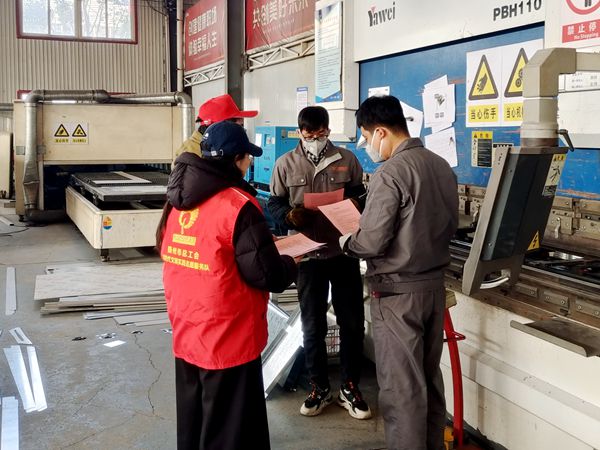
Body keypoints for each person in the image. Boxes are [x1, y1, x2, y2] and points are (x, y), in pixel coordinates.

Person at [157, 121, 297, 450]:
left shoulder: (179, 202)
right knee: (230, 430)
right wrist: (292, 262)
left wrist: (258, 243)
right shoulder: (238, 205)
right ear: (237, 160)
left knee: (194, 421)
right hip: (227, 335)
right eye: (248, 158)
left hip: (188, 327)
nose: (250, 163)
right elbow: (266, 275)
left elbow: (186, 247)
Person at [340, 95, 458, 450]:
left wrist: (346, 242)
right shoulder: (440, 165)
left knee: (402, 391)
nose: (366, 145)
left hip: (397, 295)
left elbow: (372, 240)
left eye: (366, 137)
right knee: (429, 382)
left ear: (381, 132)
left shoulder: (391, 173)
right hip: (433, 290)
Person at [268, 106, 371, 420]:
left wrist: (352, 204)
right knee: (312, 325)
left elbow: (361, 195)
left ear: (328, 129)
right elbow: (274, 203)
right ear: (300, 132)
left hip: (343, 252)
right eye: (310, 134)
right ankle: (319, 387)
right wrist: (289, 216)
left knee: (351, 323)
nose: (316, 139)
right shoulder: (285, 163)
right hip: (307, 257)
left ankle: (349, 387)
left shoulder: (347, 159)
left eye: (321, 133)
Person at [174, 93, 258, 158]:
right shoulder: (192, 157)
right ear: (220, 128)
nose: (242, 122)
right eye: (236, 122)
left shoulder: (211, 149)